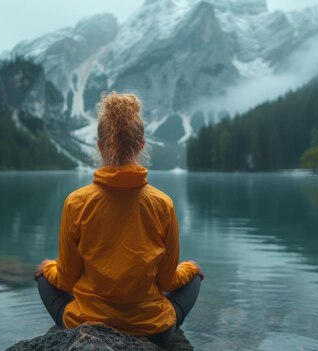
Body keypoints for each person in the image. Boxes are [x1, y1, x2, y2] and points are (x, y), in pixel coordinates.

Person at [34, 92, 203, 347]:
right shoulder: (162, 203)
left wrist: (48, 268)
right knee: (193, 278)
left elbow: (66, 279)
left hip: (86, 325)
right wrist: (190, 269)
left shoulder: (76, 202)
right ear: (142, 144)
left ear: (100, 145)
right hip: (153, 331)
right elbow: (168, 281)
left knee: (45, 278)